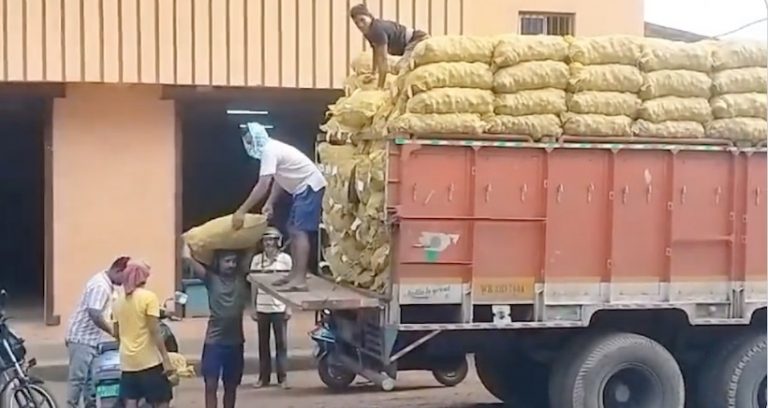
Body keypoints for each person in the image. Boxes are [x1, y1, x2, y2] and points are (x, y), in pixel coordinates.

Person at [232, 122, 326, 293]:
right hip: (302, 190)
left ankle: (300, 280)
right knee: (292, 229)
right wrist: (270, 202)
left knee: (299, 231)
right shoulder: (273, 150)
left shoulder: (269, 151)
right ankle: (294, 274)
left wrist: (241, 211)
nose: (249, 145)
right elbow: (279, 179)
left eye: (249, 141)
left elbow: (263, 184)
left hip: (310, 186)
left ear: (256, 137)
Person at [183, 246, 252, 408]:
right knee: (210, 385)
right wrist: (186, 245)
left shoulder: (241, 278)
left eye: (234, 261)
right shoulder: (211, 279)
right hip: (214, 342)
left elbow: (250, 247)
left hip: (235, 342)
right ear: (218, 262)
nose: (231, 265)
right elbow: (188, 259)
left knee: (231, 386)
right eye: (227, 261)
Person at [65, 256, 129, 408]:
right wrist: (112, 332)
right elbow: (95, 313)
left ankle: (90, 405)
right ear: (118, 270)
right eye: (124, 277)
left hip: (91, 339)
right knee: (78, 379)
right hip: (82, 338)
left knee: (90, 381)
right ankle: (71, 405)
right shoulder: (100, 286)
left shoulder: (106, 284)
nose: (124, 282)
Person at [112, 261, 174, 408]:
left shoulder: (118, 301)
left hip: (127, 362)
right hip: (149, 361)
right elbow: (155, 330)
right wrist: (166, 359)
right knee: (161, 400)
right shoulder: (148, 297)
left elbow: (116, 333)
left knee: (131, 401)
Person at [250, 227, 292, 389]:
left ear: (277, 242)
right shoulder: (256, 260)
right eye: (266, 240)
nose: (268, 243)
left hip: (279, 307)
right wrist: (253, 306)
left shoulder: (285, 260)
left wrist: (289, 307)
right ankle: (263, 378)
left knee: (281, 344)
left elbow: (290, 285)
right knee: (263, 345)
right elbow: (254, 284)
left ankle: (283, 378)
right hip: (262, 307)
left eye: (271, 240)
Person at [349, 3, 429, 87]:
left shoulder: (377, 30)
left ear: (370, 17)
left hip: (416, 40)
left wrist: (380, 87)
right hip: (411, 42)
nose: (360, 25)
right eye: (356, 23)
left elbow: (383, 60)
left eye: (362, 20)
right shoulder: (368, 31)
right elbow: (376, 51)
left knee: (401, 68)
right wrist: (373, 73)